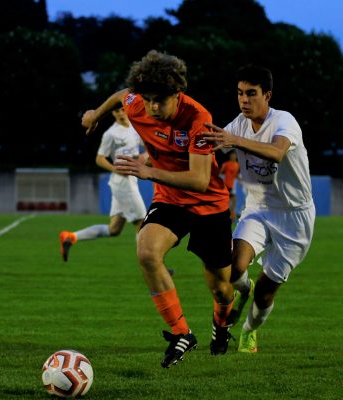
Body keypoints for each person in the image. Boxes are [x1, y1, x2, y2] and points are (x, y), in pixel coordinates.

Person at [78, 50, 234, 368]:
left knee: (220, 286)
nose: (151, 107)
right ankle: (182, 332)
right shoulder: (138, 104)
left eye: (159, 100)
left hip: (209, 206)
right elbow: (122, 95)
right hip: (170, 200)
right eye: (148, 99)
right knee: (146, 252)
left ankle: (221, 323)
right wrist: (96, 114)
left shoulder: (197, 119)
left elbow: (201, 180)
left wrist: (149, 171)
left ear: (177, 94)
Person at [204, 65, 315, 353]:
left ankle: (249, 330)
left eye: (251, 94)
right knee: (234, 267)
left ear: (267, 95)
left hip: (295, 215)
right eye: (240, 93)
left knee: (266, 294)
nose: (244, 100)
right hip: (258, 207)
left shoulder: (284, 122)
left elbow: (276, 151)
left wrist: (235, 141)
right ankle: (245, 289)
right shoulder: (238, 124)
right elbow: (210, 144)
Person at [59, 106, 147, 261]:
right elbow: (99, 158)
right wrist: (116, 169)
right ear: (112, 113)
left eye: (121, 109)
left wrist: (144, 156)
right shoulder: (111, 134)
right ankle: (152, 265)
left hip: (129, 180)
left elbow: (146, 146)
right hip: (123, 182)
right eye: (116, 111)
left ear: (127, 109)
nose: (120, 113)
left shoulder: (135, 127)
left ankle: (70, 237)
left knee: (114, 229)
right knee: (142, 222)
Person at [220, 150, 240, 222]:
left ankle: (231, 216)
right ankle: (227, 216)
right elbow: (221, 173)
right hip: (226, 185)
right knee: (227, 201)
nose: (233, 156)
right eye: (232, 155)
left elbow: (236, 175)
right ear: (230, 156)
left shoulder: (237, 165)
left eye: (234, 155)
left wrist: (240, 179)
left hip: (232, 185)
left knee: (233, 200)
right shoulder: (226, 164)